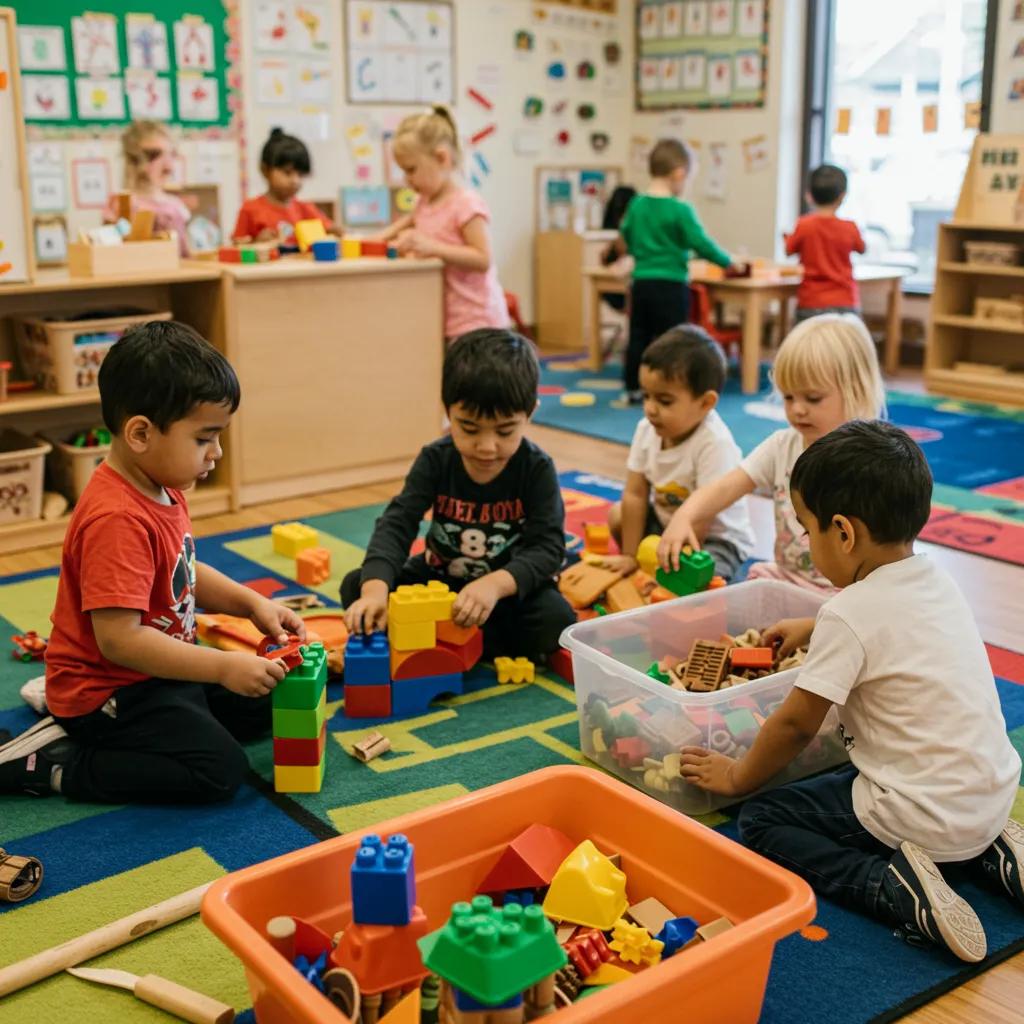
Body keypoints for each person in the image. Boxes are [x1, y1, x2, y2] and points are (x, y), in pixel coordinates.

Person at [680, 421, 1023, 963]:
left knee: (763, 819)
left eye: (806, 529)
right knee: (861, 776)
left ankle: (888, 884)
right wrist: (814, 623)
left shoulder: (848, 613)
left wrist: (736, 777)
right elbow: (887, 625)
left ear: (842, 532)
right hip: (991, 789)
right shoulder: (938, 579)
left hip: (921, 812)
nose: (806, 541)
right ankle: (990, 849)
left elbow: (795, 725)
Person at [0, 322, 305, 804]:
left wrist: (250, 604)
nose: (217, 453)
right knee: (220, 772)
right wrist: (221, 668)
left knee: (269, 696)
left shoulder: (163, 483)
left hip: (158, 671)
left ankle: (186, 710)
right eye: (205, 438)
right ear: (141, 433)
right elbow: (120, 641)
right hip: (107, 693)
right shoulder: (115, 519)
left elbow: (181, 570)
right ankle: (58, 761)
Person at [342, 329, 575, 661]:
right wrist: (375, 591)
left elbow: (548, 548)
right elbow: (398, 522)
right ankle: (463, 640)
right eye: (468, 428)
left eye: (505, 431)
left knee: (557, 621)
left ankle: (450, 640)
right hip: (437, 580)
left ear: (530, 414)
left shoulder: (536, 468)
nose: (486, 446)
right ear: (448, 411)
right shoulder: (436, 458)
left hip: (502, 593)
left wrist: (494, 585)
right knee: (357, 586)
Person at [657, 314, 884, 592]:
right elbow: (727, 486)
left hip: (845, 591)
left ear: (856, 391)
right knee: (754, 582)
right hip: (787, 579)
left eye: (812, 398)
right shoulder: (783, 445)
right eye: (789, 397)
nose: (798, 409)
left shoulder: (870, 459)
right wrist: (684, 517)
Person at [603, 325, 753, 581]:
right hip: (666, 526)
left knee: (700, 580)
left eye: (664, 401)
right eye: (646, 396)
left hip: (713, 540)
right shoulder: (646, 429)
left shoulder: (714, 444)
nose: (650, 409)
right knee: (618, 514)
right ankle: (644, 563)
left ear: (705, 403)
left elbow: (702, 516)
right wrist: (630, 556)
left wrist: (670, 567)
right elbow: (635, 493)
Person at [618, 139, 741, 403]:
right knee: (673, 340)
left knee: (638, 336)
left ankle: (632, 387)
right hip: (671, 285)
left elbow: (626, 234)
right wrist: (728, 262)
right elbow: (701, 243)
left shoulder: (637, 204)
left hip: (641, 284)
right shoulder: (680, 209)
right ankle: (670, 388)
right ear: (679, 174)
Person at [378, 105, 509, 340]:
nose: (407, 180)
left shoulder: (466, 203)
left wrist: (431, 247)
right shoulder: (424, 203)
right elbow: (400, 227)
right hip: (448, 319)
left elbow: (483, 258)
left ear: (442, 158)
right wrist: (366, 241)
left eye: (411, 170)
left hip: (478, 321)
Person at [785, 164, 866, 322]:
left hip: (811, 303)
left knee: (807, 346)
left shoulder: (804, 225)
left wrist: (787, 238)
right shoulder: (850, 227)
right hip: (845, 302)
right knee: (848, 346)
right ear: (842, 196)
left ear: (809, 196)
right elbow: (862, 248)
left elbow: (788, 250)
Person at [232, 128, 335, 244]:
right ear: (265, 170)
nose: (295, 181)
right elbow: (236, 246)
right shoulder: (250, 210)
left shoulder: (305, 209)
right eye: (287, 172)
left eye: (300, 174)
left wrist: (336, 231)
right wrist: (256, 243)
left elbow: (330, 230)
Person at [103, 120, 190, 256]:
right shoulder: (121, 204)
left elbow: (186, 255)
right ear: (133, 159)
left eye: (171, 154)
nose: (168, 166)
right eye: (154, 155)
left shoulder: (176, 206)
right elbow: (113, 254)